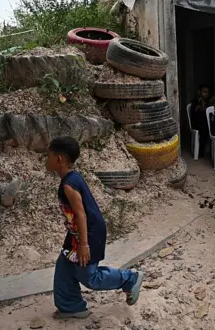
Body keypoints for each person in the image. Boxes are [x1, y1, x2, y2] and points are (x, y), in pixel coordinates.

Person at [46, 136, 145, 319]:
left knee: (89, 276)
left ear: (59, 159)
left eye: (48, 156)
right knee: (65, 265)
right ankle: (71, 306)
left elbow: (81, 214)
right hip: (77, 232)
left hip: (89, 233)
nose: (46, 160)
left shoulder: (69, 185)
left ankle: (130, 279)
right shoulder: (71, 178)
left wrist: (84, 245)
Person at [190, 84, 215, 158]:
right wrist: (209, 105)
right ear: (199, 92)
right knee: (205, 129)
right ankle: (201, 151)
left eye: (207, 92)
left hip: (205, 123)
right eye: (204, 92)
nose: (206, 94)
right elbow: (202, 110)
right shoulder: (196, 100)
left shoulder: (208, 100)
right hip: (197, 123)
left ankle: (212, 152)